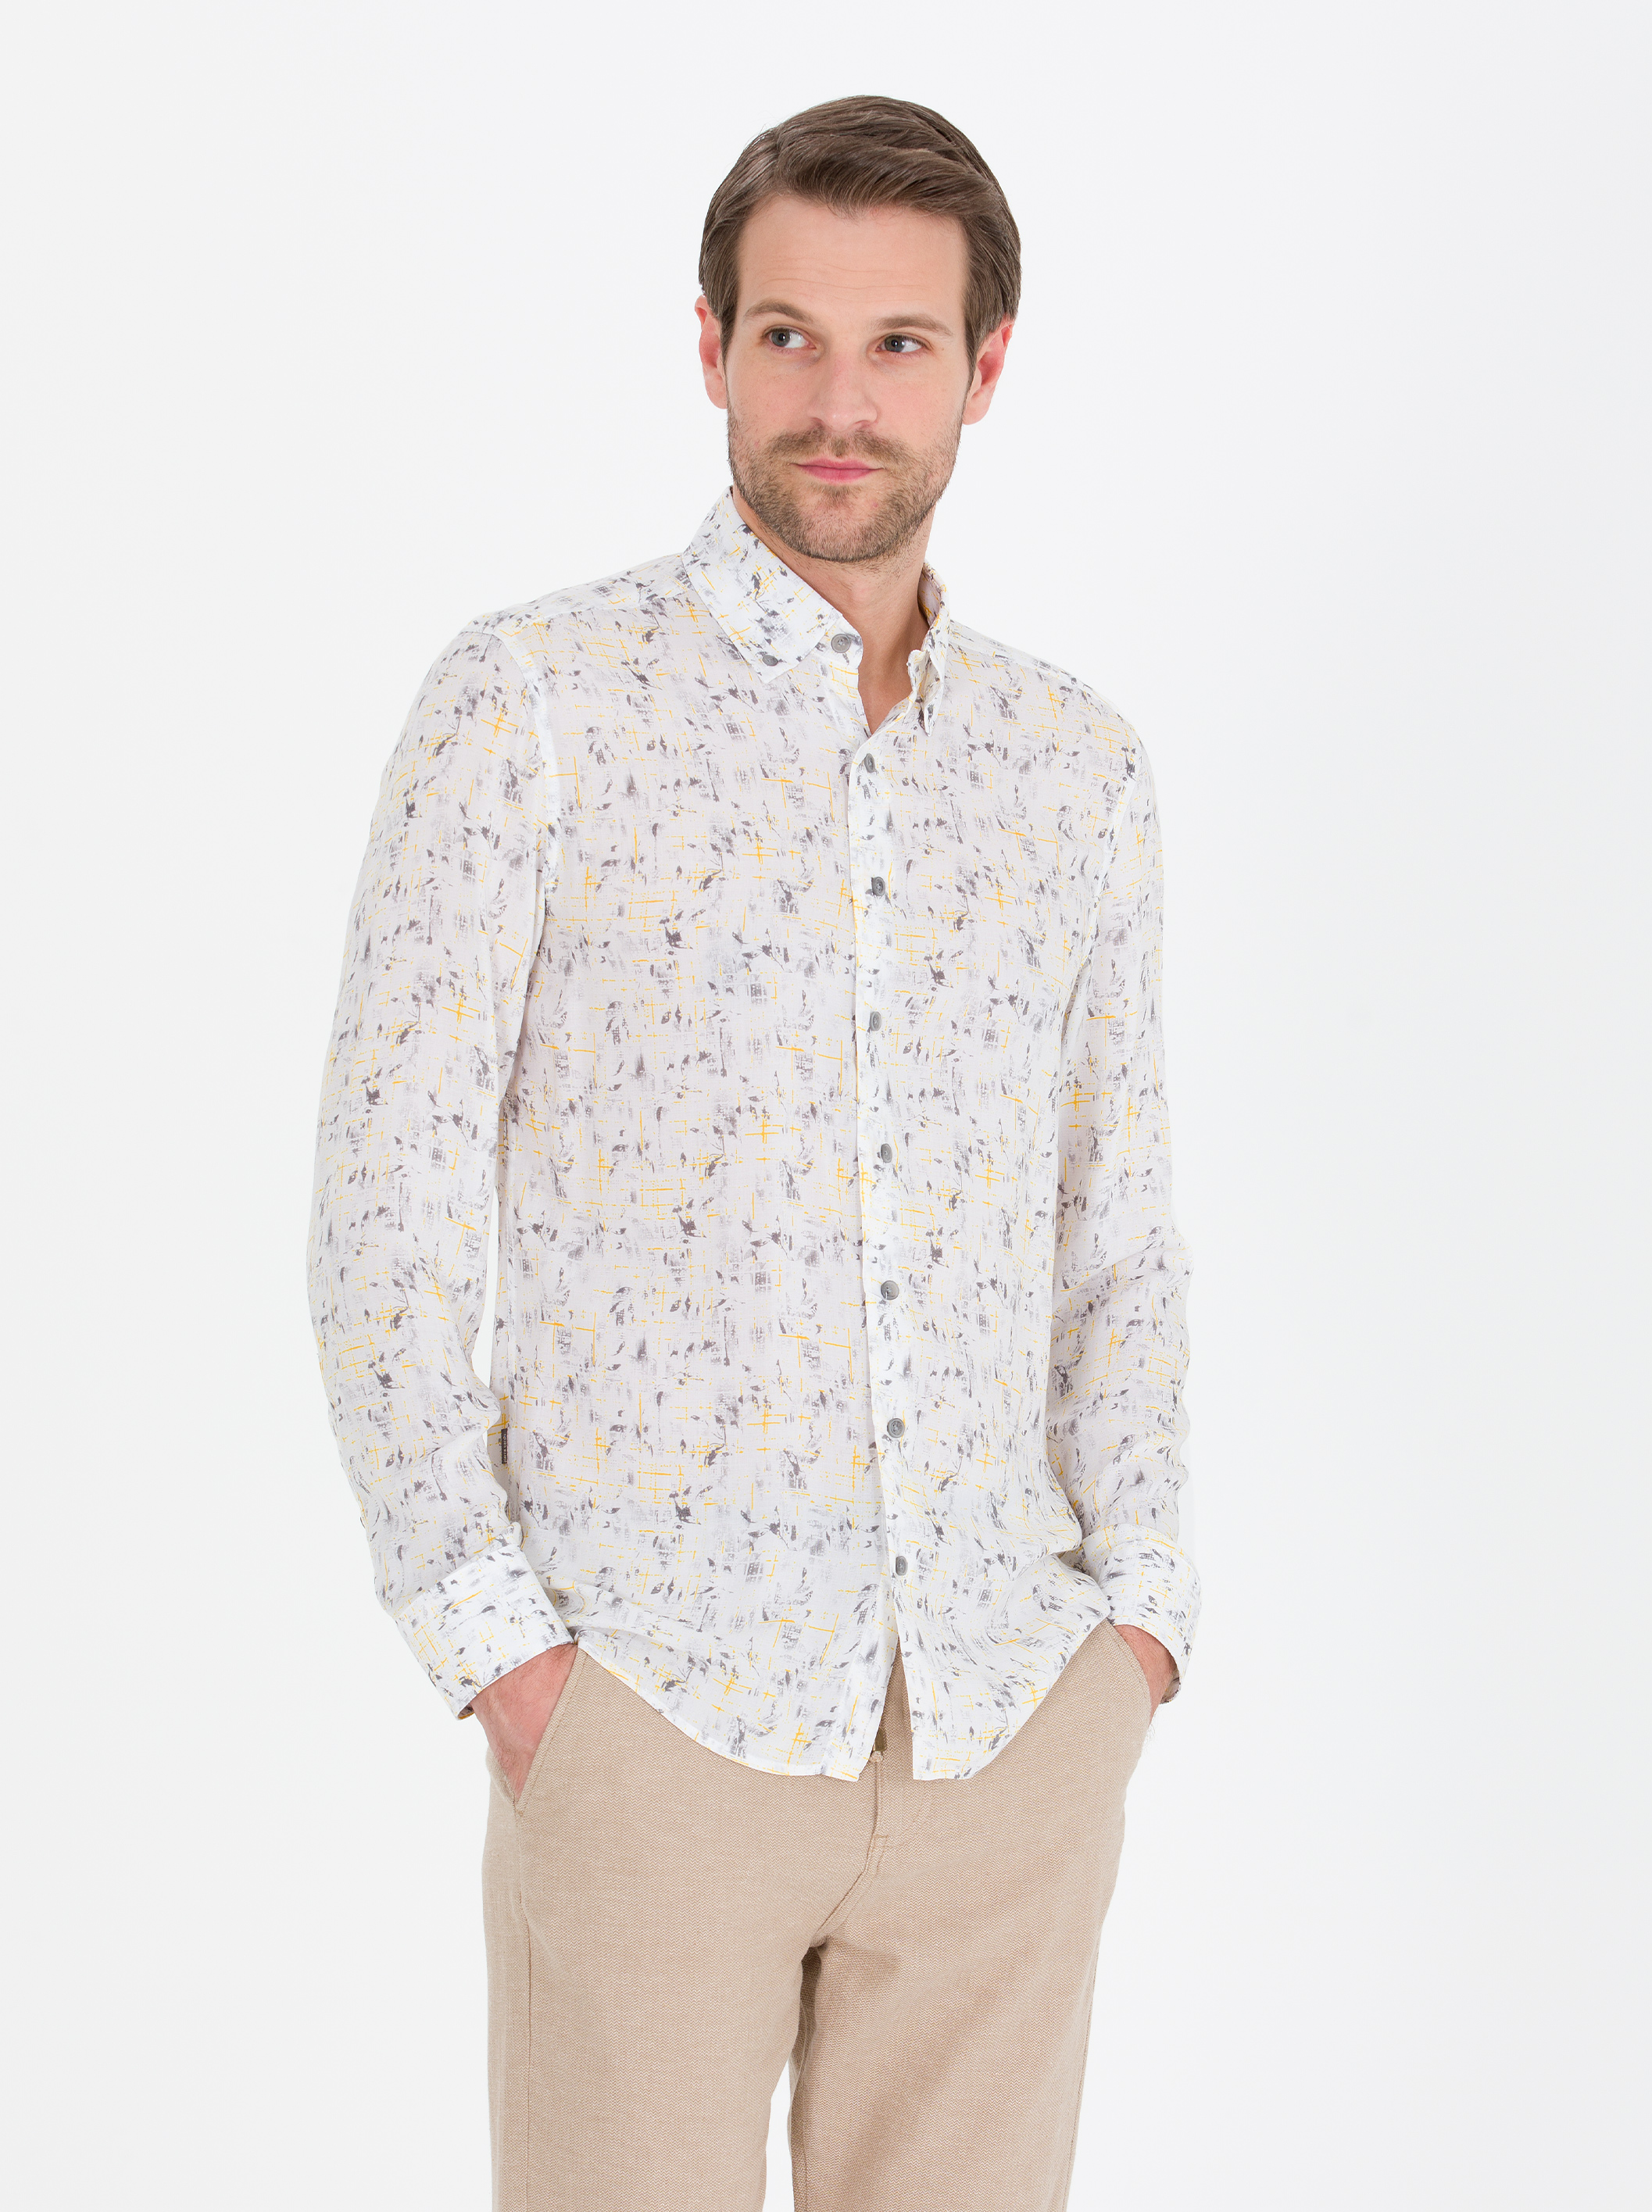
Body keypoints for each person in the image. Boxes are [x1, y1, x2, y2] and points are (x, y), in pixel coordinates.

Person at [307, 91, 1201, 2212]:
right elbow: (386, 1202)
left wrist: (1139, 1624)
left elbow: (1118, 1227)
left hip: (1007, 1723)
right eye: (788, 335)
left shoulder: (1072, 771)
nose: (838, 402)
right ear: (708, 343)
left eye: (899, 344)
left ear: (985, 367)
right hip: (653, 1717)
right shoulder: (531, 707)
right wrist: (507, 1662)